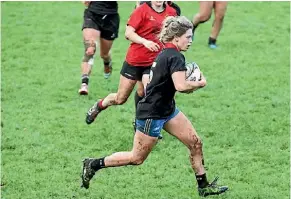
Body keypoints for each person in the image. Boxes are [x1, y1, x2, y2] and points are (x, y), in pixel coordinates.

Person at [81, 16, 228, 197]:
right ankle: (93, 164)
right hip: (152, 114)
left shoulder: (167, 53)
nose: (191, 41)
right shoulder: (175, 57)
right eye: (188, 37)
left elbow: (172, 85)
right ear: (176, 38)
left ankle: (203, 186)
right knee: (136, 158)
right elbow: (181, 87)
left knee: (195, 143)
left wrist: (189, 83)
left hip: (167, 110)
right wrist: (199, 83)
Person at [85, 1, 177, 126]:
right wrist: (145, 42)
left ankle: (146, 126)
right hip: (135, 60)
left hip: (154, 62)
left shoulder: (171, 12)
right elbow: (128, 33)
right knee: (120, 98)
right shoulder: (141, 10)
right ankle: (99, 105)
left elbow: (173, 35)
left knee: (149, 94)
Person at [78, 1, 120, 95]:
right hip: (92, 14)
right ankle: (84, 84)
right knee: (89, 49)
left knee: (104, 54)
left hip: (110, 17)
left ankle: (107, 62)